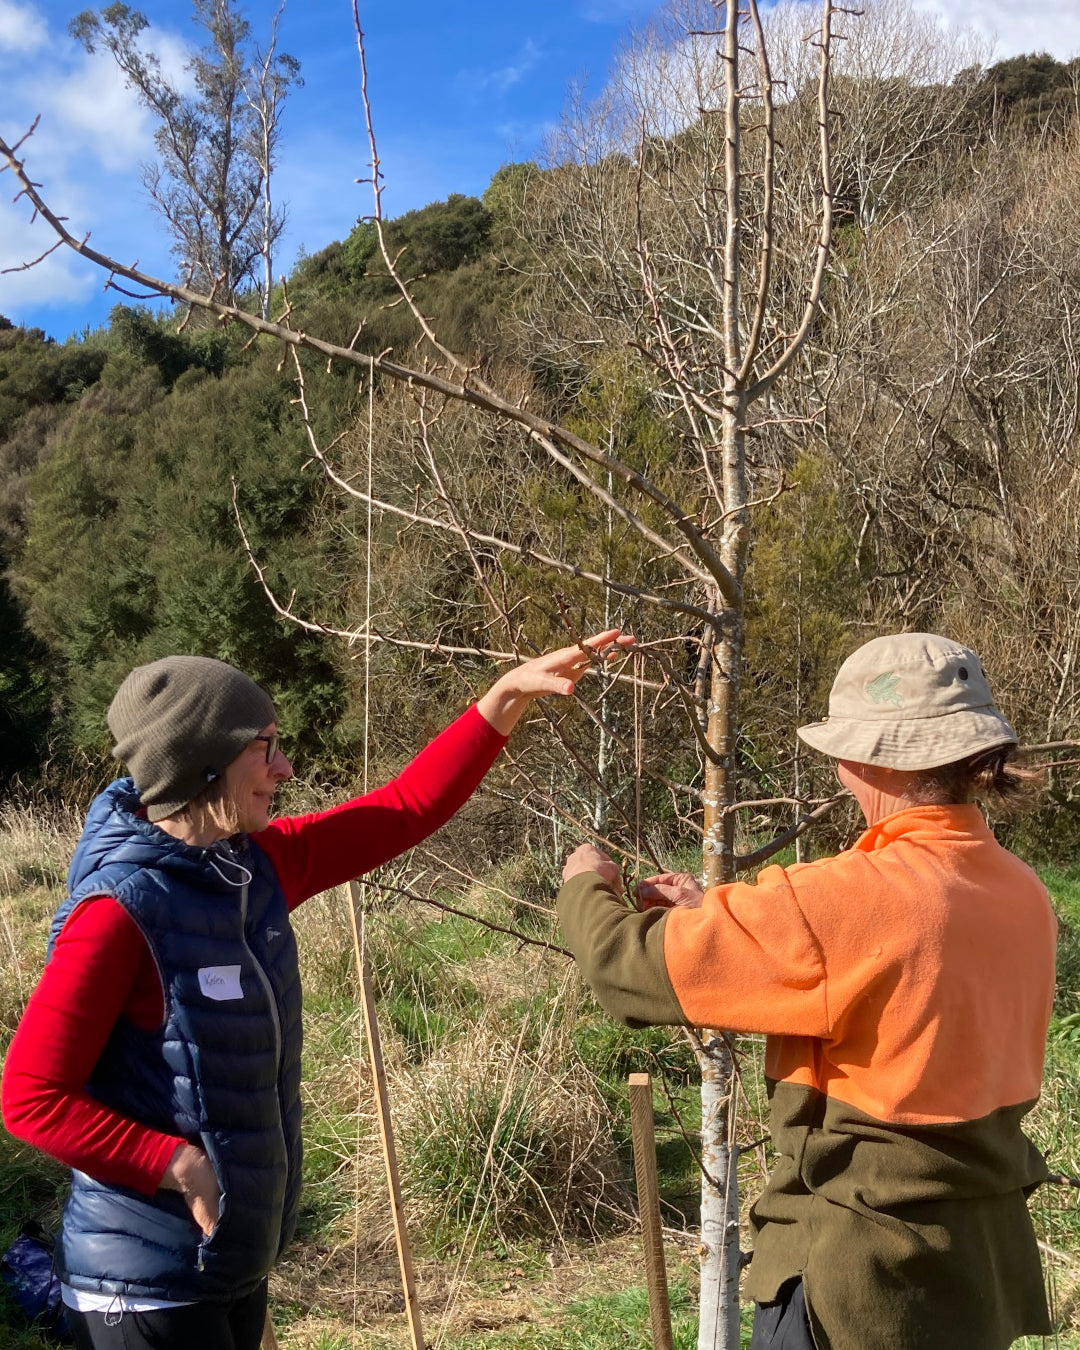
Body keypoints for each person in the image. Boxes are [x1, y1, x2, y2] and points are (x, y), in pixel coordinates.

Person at [1, 631, 631, 1350]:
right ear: (206, 764)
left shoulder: (256, 867)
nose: (285, 766)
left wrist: (503, 700)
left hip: (227, 1268)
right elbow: (30, 1099)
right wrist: (172, 1163)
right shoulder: (117, 915)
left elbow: (403, 809)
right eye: (264, 747)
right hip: (143, 1290)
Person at [557, 632, 1057, 1350]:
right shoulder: (1021, 892)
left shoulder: (850, 900)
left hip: (857, 1283)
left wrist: (584, 884)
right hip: (976, 1276)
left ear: (864, 757)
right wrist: (716, 919)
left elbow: (620, 966)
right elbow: (884, 1001)